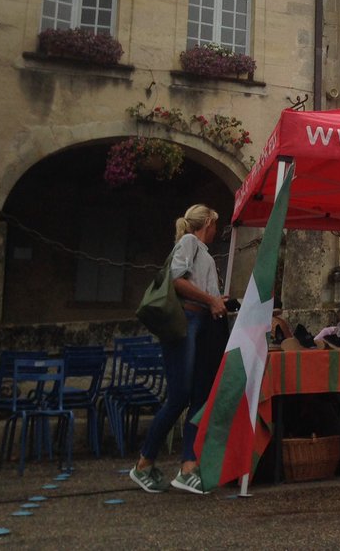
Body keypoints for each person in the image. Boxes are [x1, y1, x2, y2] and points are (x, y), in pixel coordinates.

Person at [131, 204, 228, 495]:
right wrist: (211, 300)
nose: (217, 230)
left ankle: (188, 465)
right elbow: (176, 279)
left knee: (199, 394)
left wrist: (216, 299)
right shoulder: (188, 242)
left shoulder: (205, 253)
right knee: (180, 395)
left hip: (202, 322)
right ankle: (144, 463)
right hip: (187, 321)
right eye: (215, 224)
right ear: (208, 221)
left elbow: (198, 287)